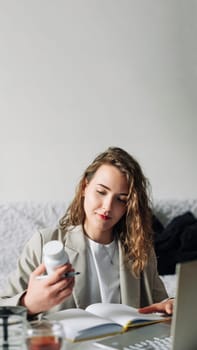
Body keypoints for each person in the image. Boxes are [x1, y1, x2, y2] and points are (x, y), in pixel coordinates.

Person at [0, 147, 173, 318]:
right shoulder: (43, 242)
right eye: (101, 192)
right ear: (85, 186)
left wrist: (171, 305)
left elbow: (162, 304)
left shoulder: (140, 250)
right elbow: (4, 306)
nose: (107, 207)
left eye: (121, 199)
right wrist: (28, 304)